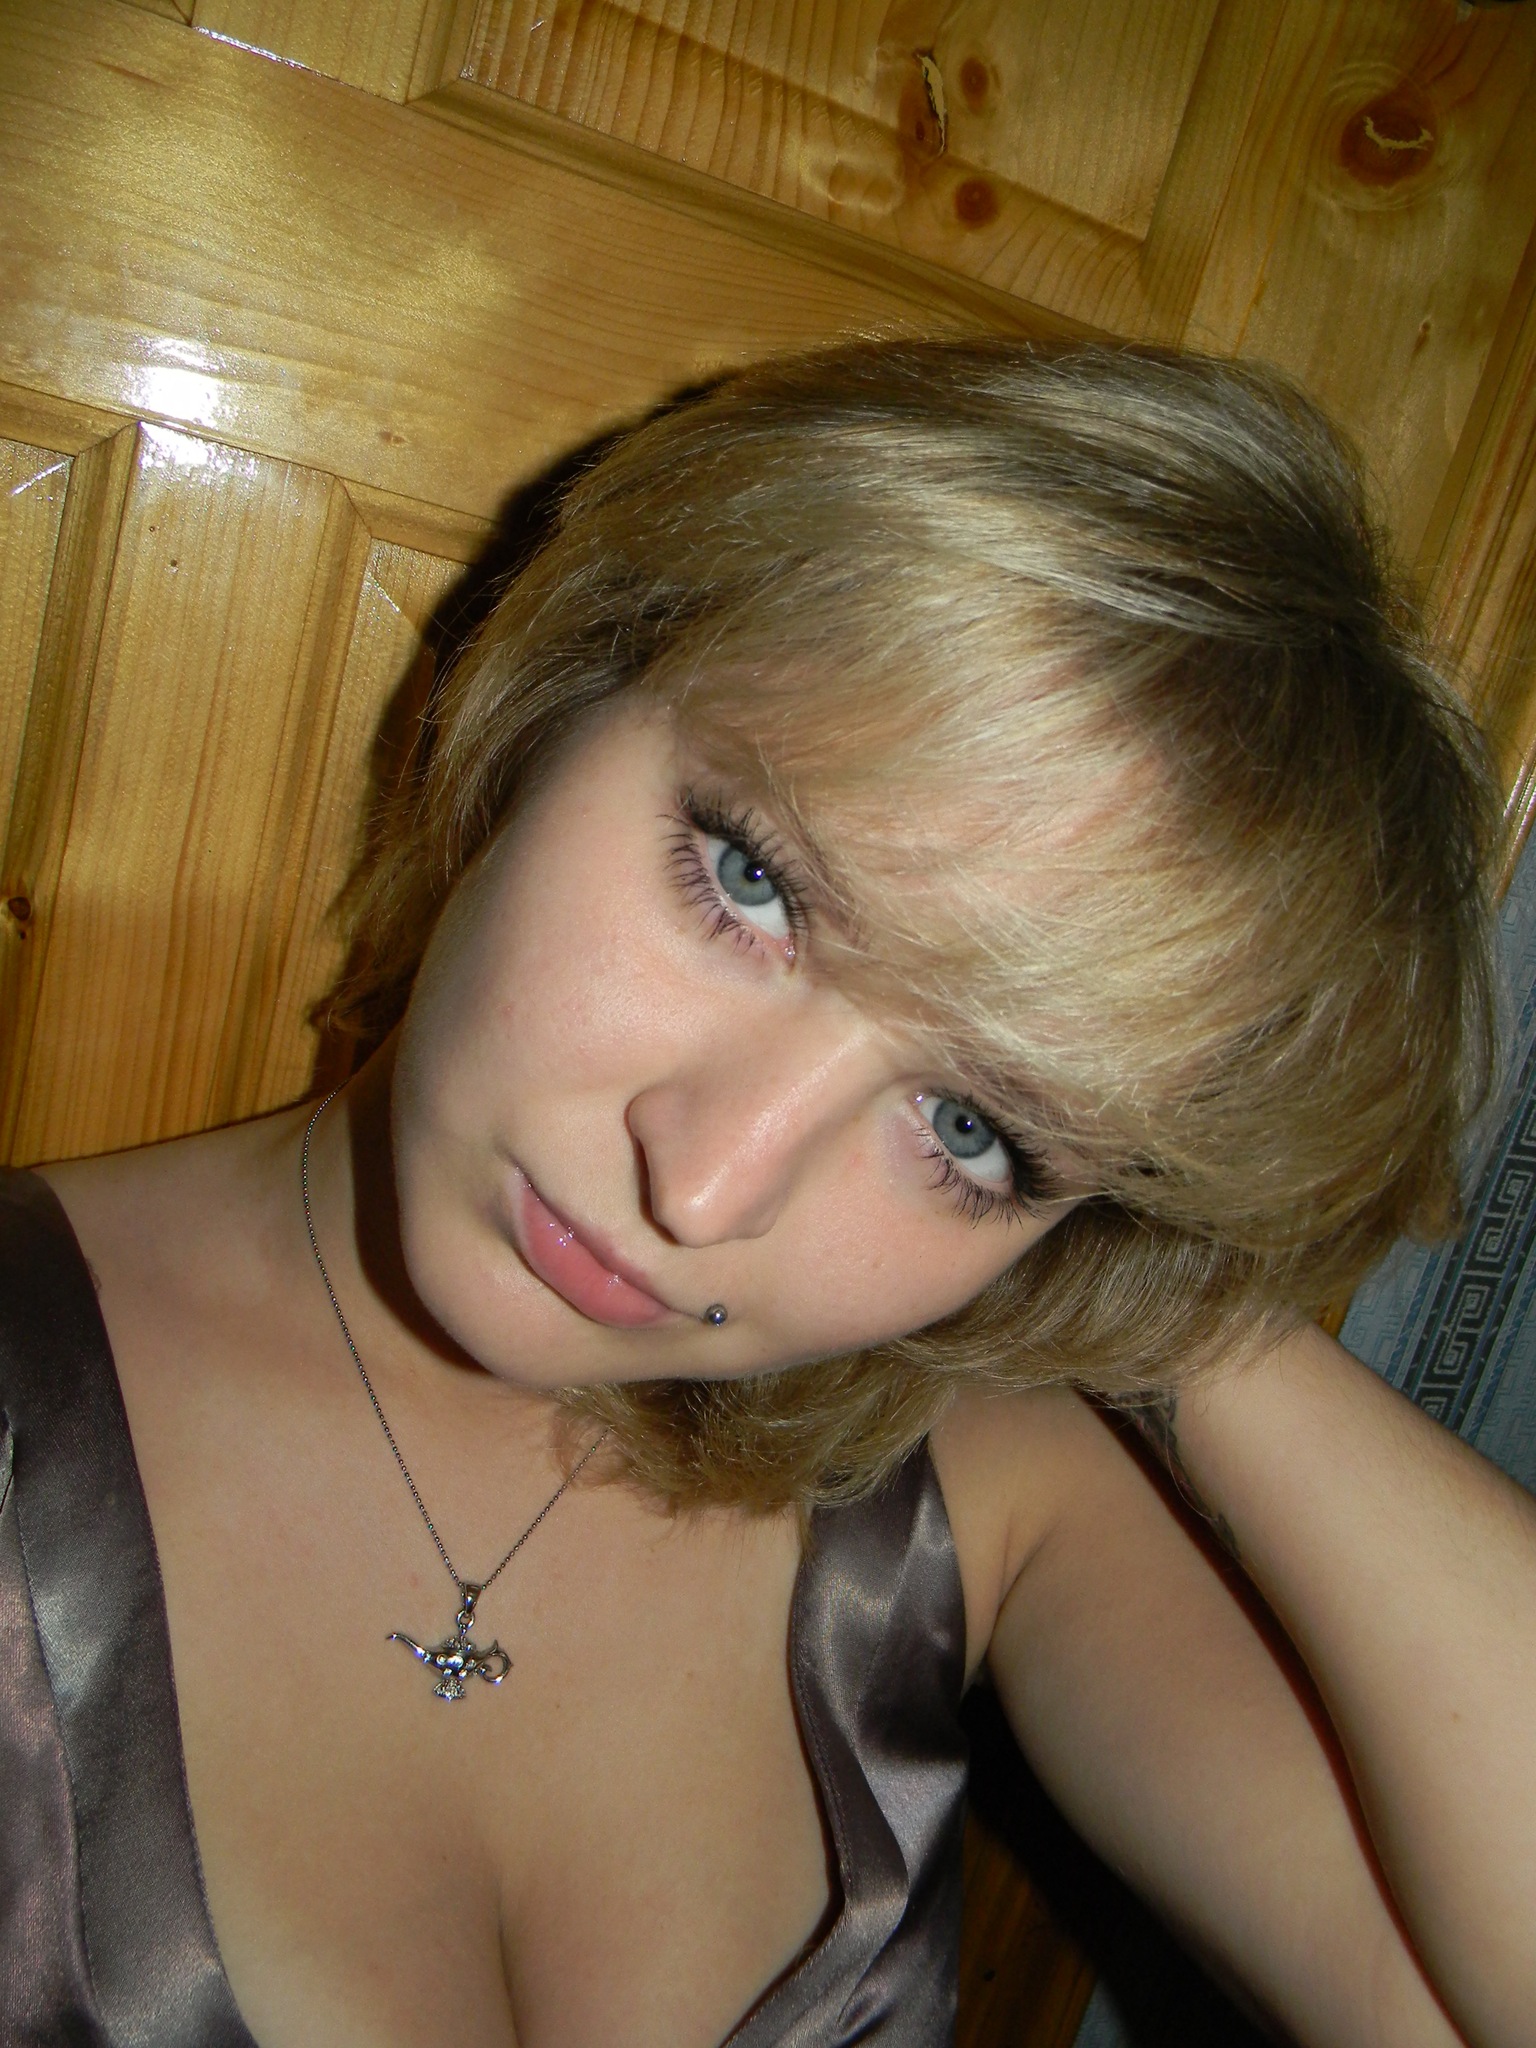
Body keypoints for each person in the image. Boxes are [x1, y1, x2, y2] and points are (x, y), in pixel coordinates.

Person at [2, 338, 1532, 2048]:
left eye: (973, 1127)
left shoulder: (970, 1485)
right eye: (751, 882)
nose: (710, 1187)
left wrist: (1164, 1283)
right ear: (563, 693)